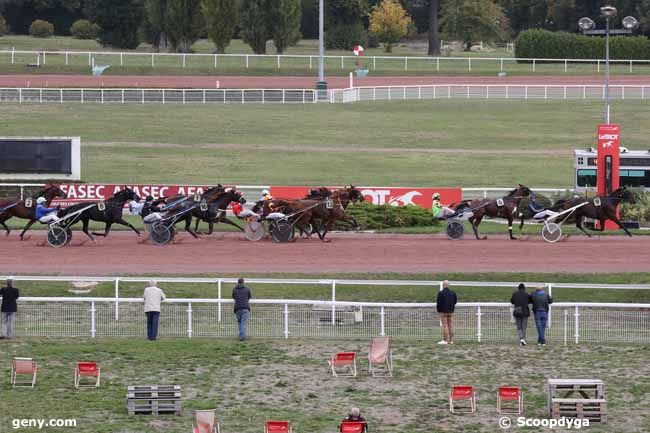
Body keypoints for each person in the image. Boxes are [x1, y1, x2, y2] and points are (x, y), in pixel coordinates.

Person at [436, 280, 457, 345]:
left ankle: (445, 340)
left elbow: (438, 303)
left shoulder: (441, 293)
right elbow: (455, 301)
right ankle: (451, 340)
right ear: (449, 285)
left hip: (443, 312)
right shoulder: (453, 293)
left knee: (445, 325)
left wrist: (439, 311)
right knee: (450, 325)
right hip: (451, 311)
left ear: (443, 285)